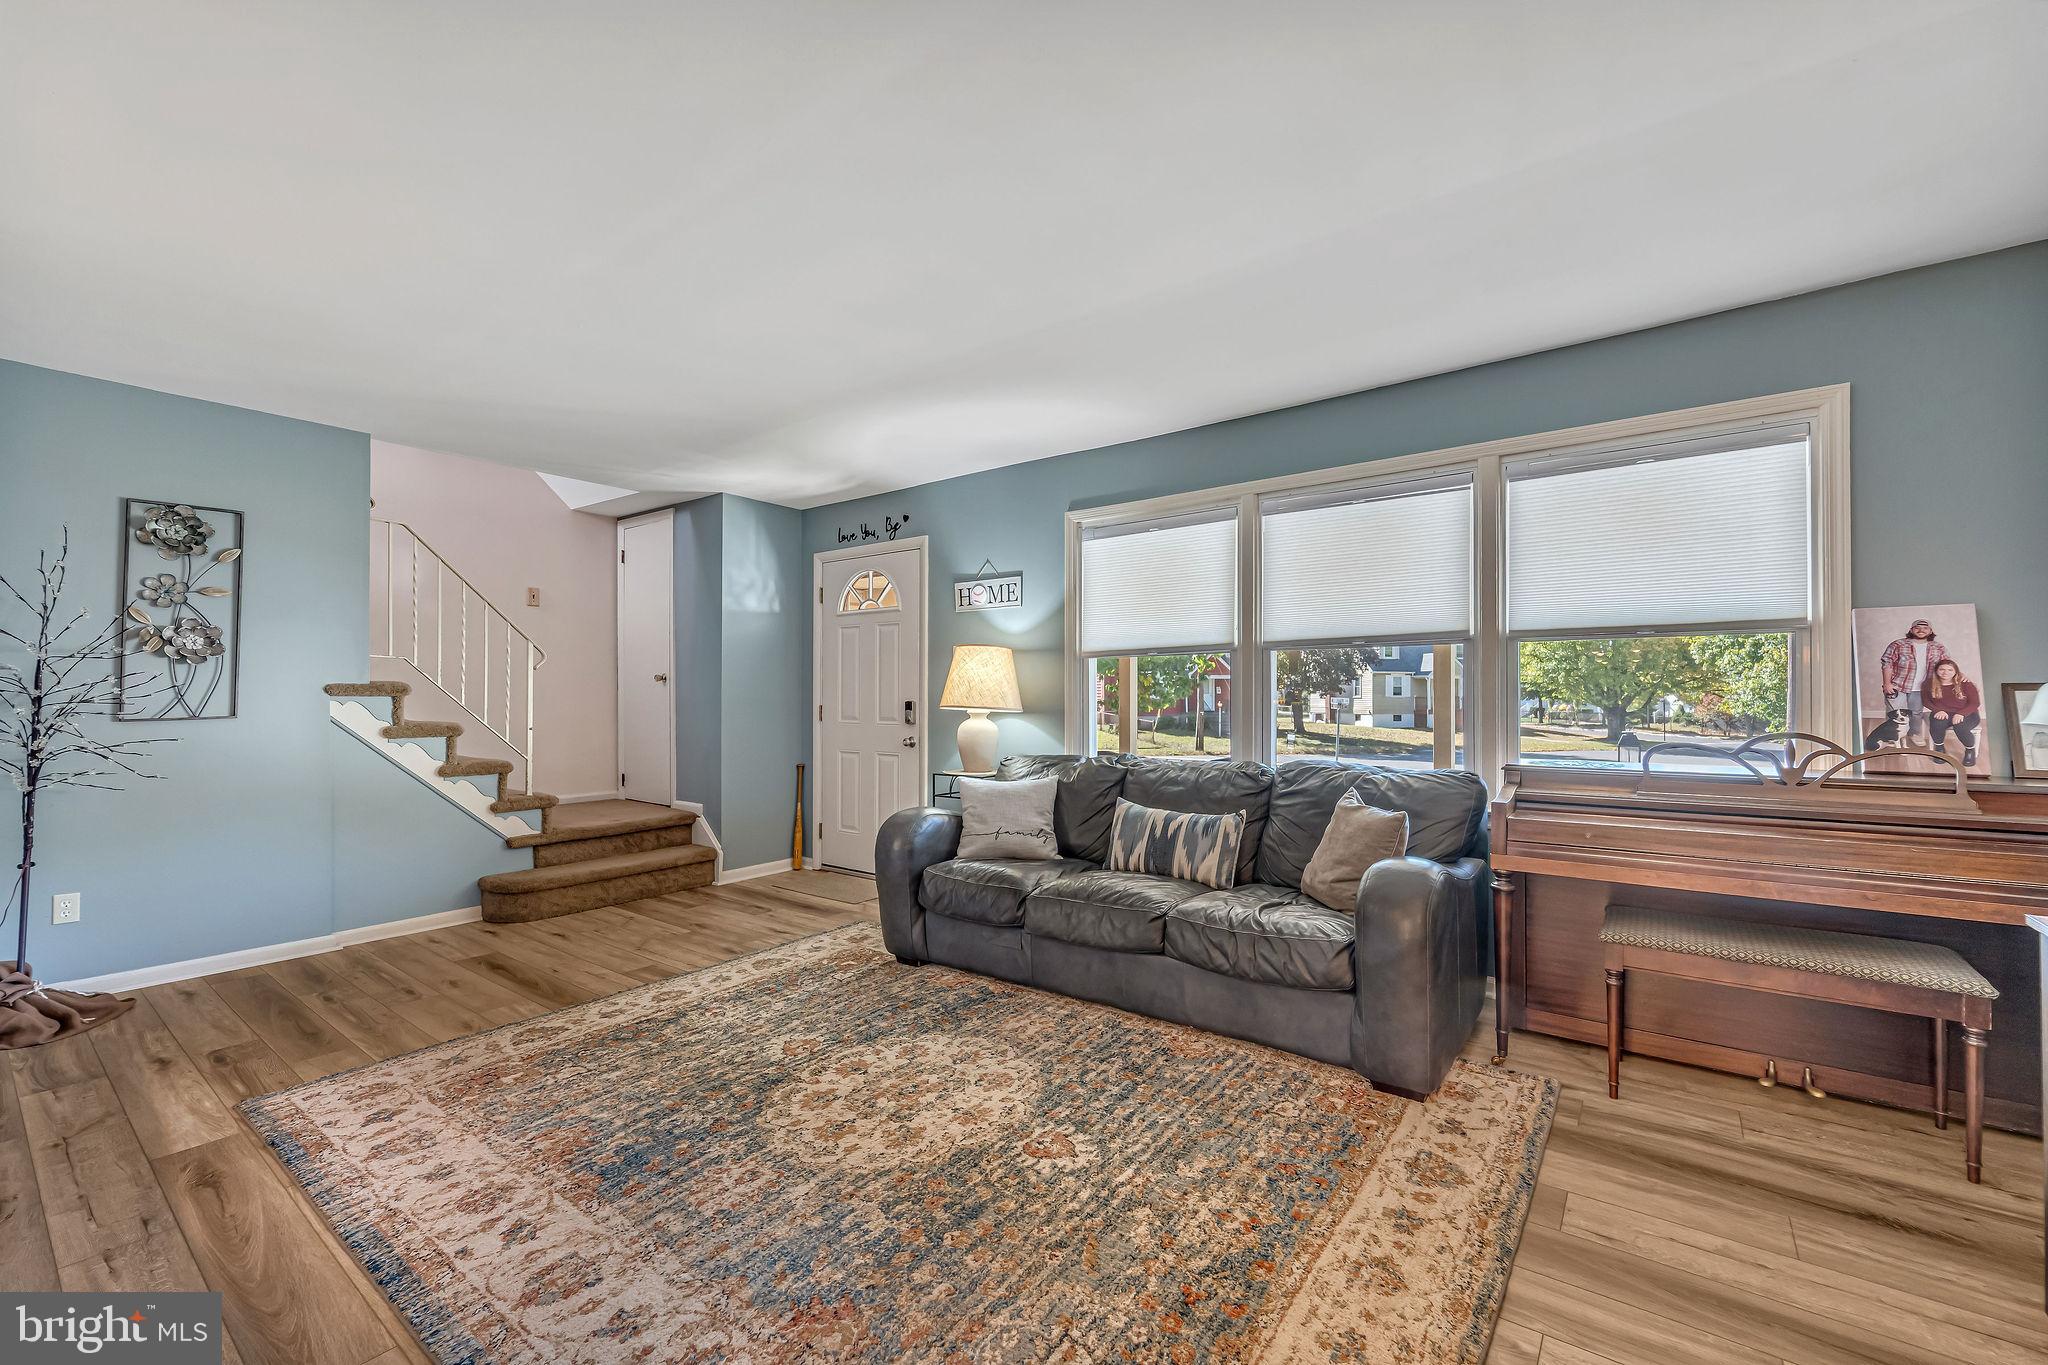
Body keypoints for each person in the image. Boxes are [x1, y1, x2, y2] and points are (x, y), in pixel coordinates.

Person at [1878, 619, 1948, 746]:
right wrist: (1887, 683)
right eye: (1917, 627)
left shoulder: (1938, 647)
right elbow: (1886, 663)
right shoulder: (1898, 644)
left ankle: (1914, 733)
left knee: (1916, 714)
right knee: (1895, 712)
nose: (1921, 630)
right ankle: (1890, 737)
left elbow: (1947, 665)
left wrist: (1961, 676)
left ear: (1930, 631)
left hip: (1922, 688)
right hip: (1897, 685)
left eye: (1925, 628)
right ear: (1911, 630)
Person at [1922, 657, 1983, 767]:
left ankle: (1970, 750)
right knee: (1937, 723)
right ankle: (1939, 747)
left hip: (1967, 713)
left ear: (1956, 671)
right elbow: (1926, 701)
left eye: (1950, 670)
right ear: (1936, 670)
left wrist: (1961, 714)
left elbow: (1975, 703)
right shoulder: (1928, 683)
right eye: (1942, 669)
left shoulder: (1965, 684)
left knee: (1960, 726)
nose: (1945, 672)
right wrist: (1937, 710)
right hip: (1942, 712)